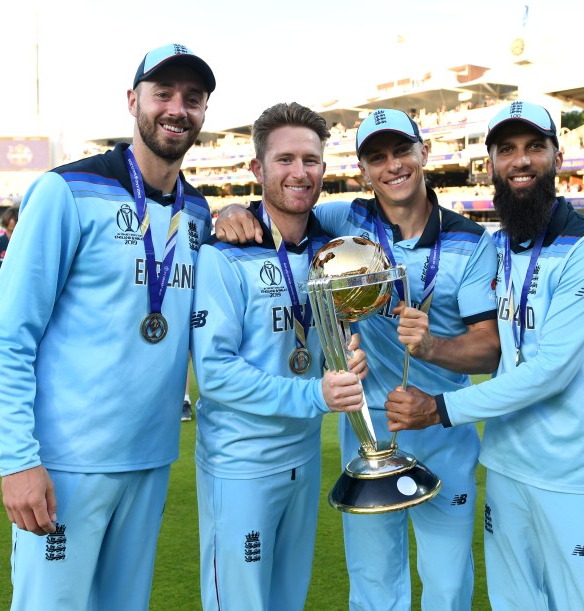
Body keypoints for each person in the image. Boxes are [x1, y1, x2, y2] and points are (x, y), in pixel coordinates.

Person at [214, 108, 500, 610]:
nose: (392, 166)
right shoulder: (344, 220)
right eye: (376, 157)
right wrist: (232, 208)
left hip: (441, 430)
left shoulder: (473, 242)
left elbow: (489, 349)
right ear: (363, 169)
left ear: (424, 153)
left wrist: (430, 346)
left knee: (448, 582)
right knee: (372, 582)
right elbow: (282, 207)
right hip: (365, 434)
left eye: (401, 151)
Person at [0, 44, 217, 610]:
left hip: (150, 457)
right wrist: (18, 462)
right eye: (163, 94)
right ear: (133, 101)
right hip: (66, 463)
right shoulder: (66, 192)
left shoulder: (200, 214)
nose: (177, 109)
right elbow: (8, 336)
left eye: (193, 98)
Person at [384, 101, 584, 610]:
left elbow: (550, 372)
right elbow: (495, 348)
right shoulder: (494, 249)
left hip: (575, 474)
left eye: (534, 147)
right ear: (491, 163)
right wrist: (429, 345)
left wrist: (438, 409)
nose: (521, 161)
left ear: (558, 157)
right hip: (506, 465)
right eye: (507, 149)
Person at [191, 102, 367, 610]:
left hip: (302, 458)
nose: (299, 172)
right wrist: (316, 392)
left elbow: (330, 340)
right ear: (257, 170)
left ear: (324, 170)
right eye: (285, 159)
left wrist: (348, 361)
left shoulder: (328, 255)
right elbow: (216, 374)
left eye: (310, 160)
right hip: (241, 464)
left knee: (289, 600)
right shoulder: (224, 254)